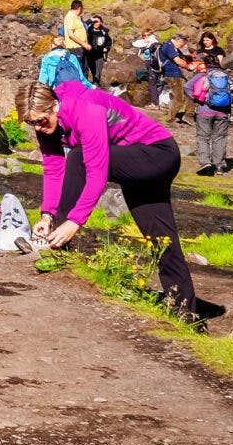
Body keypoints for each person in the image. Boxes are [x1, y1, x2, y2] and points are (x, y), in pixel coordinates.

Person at [22, 79, 222, 327]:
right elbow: (53, 168)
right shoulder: (49, 124)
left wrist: (74, 222)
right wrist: (47, 215)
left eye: (41, 121)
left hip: (158, 155)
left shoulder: (86, 108)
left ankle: (61, 253)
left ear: (54, 106)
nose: (38, 128)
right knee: (161, 239)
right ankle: (188, 316)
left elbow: (96, 171)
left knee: (78, 157)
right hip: (132, 161)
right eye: (31, 123)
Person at [187, 52, 233, 175]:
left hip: (204, 112)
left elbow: (187, 87)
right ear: (219, 64)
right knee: (220, 138)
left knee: (203, 138)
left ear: (205, 64)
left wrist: (197, 99)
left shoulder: (202, 75)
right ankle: (219, 166)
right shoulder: (226, 76)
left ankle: (206, 163)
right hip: (222, 112)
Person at [85, 13, 113, 88]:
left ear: (101, 23)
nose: (95, 23)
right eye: (94, 22)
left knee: (98, 71)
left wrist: (107, 48)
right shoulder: (87, 31)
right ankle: (89, 85)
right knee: (91, 70)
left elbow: (109, 42)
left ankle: (96, 84)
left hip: (100, 54)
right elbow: (83, 24)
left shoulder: (104, 32)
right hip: (89, 54)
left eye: (97, 22)